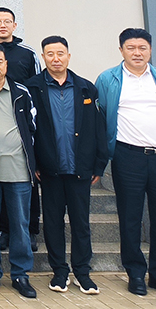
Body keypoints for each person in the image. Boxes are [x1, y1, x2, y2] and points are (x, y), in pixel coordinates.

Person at [96, 28, 156, 298]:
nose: (137, 53)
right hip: (127, 156)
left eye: (142, 48)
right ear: (121, 50)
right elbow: (102, 114)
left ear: (150, 50)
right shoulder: (109, 79)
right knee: (130, 218)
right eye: (131, 48)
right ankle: (135, 273)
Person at [26, 36, 108, 295]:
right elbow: (28, 130)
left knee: (81, 223)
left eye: (60, 53)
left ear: (69, 56)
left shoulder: (85, 88)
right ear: (43, 57)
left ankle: (82, 272)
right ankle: (59, 271)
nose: (56, 59)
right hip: (49, 169)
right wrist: (33, 163)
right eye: (50, 54)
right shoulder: (32, 88)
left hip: (80, 168)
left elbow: (98, 128)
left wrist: (99, 164)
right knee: (52, 223)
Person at [0, 7, 42, 251]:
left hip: (19, 142)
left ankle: (29, 235)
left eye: (7, 21)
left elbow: (36, 86)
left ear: (14, 25)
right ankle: (1, 239)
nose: (2, 25)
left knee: (24, 201)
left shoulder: (27, 55)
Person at [0, 42, 39, 299]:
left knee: (20, 225)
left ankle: (21, 274)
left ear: (6, 64)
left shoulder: (21, 92)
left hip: (19, 169)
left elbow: (33, 126)